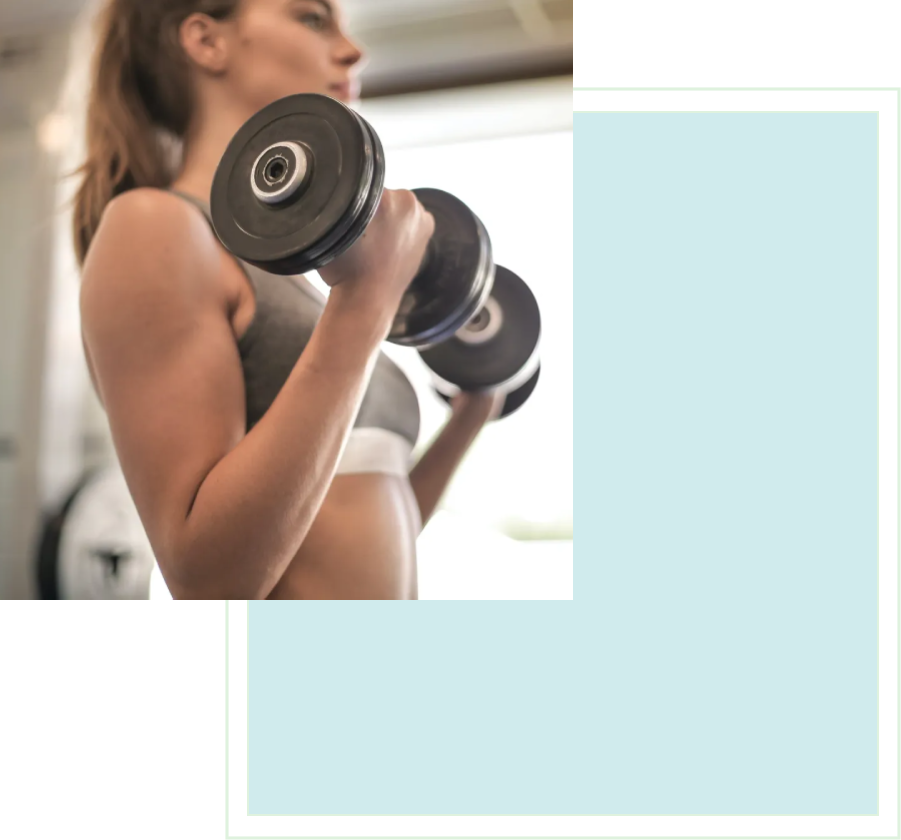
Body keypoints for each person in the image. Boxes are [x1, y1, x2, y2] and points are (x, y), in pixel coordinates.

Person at [72, 0, 505, 600]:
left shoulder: (302, 277)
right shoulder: (156, 227)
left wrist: (471, 414)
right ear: (206, 41)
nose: (352, 49)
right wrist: (366, 301)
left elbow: (365, 519)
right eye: (312, 18)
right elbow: (209, 581)